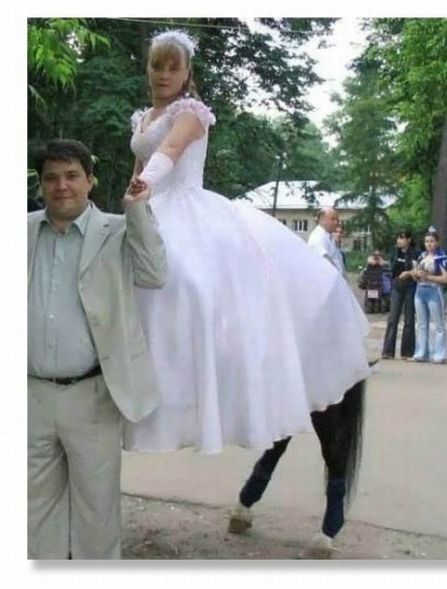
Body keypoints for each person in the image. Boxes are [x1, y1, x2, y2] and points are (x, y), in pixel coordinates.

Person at [123, 30, 370, 454]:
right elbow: (140, 161)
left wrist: (144, 183)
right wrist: (132, 201)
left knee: (190, 283)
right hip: (149, 207)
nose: (163, 74)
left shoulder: (191, 112)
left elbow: (169, 152)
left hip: (187, 207)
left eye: (172, 67)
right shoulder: (141, 117)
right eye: (157, 66)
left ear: (186, 73)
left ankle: (213, 377)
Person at [28, 139, 167, 559]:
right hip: (29, 396)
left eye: (72, 176)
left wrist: (138, 210)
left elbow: (154, 274)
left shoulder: (117, 230)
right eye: (51, 178)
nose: (62, 186)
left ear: (90, 181)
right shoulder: (19, 232)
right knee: (31, 512)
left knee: (96, 512)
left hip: (92, 397)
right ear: (40, 185)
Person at [408, 229, 447, 363]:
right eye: (427, 241)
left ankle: (439, 354)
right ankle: (421, 353)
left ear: (437, 242)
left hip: (434, 291)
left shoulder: (441, 258)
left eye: (432, 241)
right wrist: (415, 275)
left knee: (439, 324)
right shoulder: (422, 256)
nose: (429, 244)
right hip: (420, 290)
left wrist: (428, 277)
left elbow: (446, 279)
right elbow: (417, 275)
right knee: (421, 324)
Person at [381, 231, 419, 359]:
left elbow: (418, 269)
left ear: (409, 240)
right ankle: (388, 351)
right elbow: (391, 267)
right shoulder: (394, 252)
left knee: (409, 319)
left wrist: (408, 273)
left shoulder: (415, 253)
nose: (399, 241)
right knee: (393, 318)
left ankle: (407, 352)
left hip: (410, 286)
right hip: (397, 286)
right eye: (398, 238)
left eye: (402, 238)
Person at [307, 208, 347, 276]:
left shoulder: (328, 236)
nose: (336, 222)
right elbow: (327, 264)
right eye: (332, 219)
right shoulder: (318, 238)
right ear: (322, 219)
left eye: (337, 220)